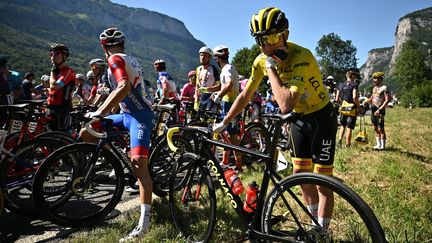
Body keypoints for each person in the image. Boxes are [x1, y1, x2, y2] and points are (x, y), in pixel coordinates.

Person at [213, 7, 337, 230]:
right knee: (301, 176)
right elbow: (244, 94)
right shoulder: (261, 59)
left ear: (285, 35)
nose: (265, 47)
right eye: (260, 40)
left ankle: (324, 231)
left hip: (321, 117)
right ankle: (315, 224)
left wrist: (270, 68)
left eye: (270, 38)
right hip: (300, 120)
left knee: (322, 182)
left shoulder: (302, 56)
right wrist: (226, 120)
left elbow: (286, 103)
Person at [80, 28, 154, 241]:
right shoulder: (127, 57)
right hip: (126, 115)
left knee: (139, 164)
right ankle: (118, 158)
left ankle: (144, 223)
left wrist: (101, 111)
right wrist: (101, 115)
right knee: (87, 131)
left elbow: (123, 86)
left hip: (140, 116)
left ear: (104, 47)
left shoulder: (114, 59)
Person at [212, 45, 243, 171]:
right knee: (227, 134)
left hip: (230, 103)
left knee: (233, 136)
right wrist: (213, 91)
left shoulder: (227, 69)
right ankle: (225, 161)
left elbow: (229, 85)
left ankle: (239, 165)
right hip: (227, 102)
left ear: (216, 58)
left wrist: (219, 96)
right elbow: (223, 86)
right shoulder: (227, 68)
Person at [47, 43, 76, 131]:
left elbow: (54, 87)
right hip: (51, 106)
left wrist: (52, 72)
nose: (53, 56)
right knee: (50, 134)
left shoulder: (68, 72)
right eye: (51, 54)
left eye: (57, 54)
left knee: (62, 136)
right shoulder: (56, 71)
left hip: (63, 108)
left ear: (64, 56)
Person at [364, 71, 391, 150]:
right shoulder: (374, 88)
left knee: (381, 128)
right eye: (373, 79)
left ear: (380, 79)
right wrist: (367, 101)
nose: (373, 80)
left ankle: (383, 146)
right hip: (373, 109)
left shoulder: (384, 88)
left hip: (380, 110)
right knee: (375, 127)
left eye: (375, 79)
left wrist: (379, 109)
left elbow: (387, 100)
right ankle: (378, 144)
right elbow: (372, 98)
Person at [335, 70, 359, 147]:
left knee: (342, 125)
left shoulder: (341, 85)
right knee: (349, 127)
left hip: (343, 108)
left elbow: (336, 99)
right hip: (351, 109)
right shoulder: (354, 85)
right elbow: (355, 97)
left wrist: (342, 104)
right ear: (353, 76)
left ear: (346, 76)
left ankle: (339, 141)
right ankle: (348, 144)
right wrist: (359, 106)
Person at [194, 46, 220, 110]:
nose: (203, 57)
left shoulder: (214, 69)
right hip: (201, 98)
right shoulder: (198, 69)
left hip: (211, 98)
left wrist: (206, 89)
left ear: (210, 57)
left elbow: (219, 86)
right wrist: (196, 101)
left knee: (209, 119)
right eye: (201, 55)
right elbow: (197, 86)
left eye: (205, 55)